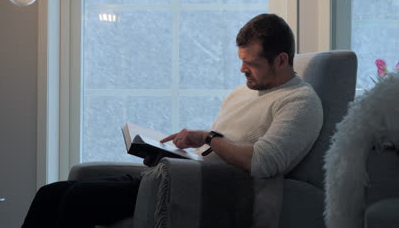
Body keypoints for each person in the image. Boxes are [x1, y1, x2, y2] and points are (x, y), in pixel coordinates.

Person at [21, 13, 323, 227]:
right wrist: (178, 152)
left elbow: (263, 162)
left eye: (252, 63)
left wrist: (208, 138)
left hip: (205, 191)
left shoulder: (299, 102)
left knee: (79, 199)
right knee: (52, 194)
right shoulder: (241, 92)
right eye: (241, 61)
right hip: (181, 176)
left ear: (281, 60)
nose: (243, 70)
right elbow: (217, 148)